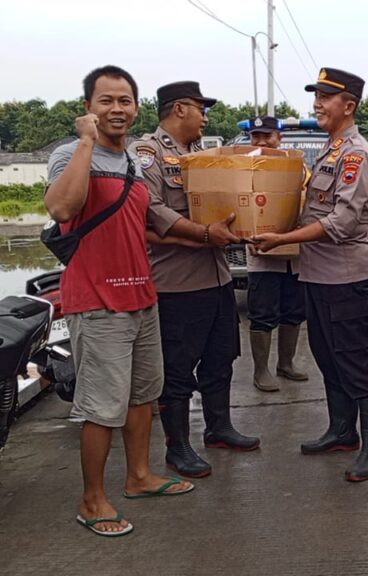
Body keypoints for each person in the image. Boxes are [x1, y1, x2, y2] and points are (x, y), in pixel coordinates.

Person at [45, 66, 193, 538]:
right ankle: (92, 500)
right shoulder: (69, 155)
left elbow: (156, 220)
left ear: (136, 107)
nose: (116, 109)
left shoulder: (134, 161)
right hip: (97, 299)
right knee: (100, 406)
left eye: (124, 100)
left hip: (140, 294)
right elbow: (62, 209)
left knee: (142, 396)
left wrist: (213, 234)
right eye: (106, 100)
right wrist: (86, 144)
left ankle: (139, 476)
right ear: (88, 107)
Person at [254, 67, 368, 482]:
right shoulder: (329, 152)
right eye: (316, 96)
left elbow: (343, 221)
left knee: (356, 361)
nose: (317, 103)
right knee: (328, 358)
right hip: (315, 274)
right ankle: (342, 430)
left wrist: (283, 238)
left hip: (344, 276)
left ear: (348, 106)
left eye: (326, 97)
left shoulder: (355, 155)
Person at [129, 82, 260, 479]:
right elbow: (149, 211)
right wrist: (204, 235)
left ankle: (218, 427)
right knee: (178, 369)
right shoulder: (146, 154)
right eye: (201, 109)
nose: (205, 116)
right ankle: (178, 446)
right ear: (180, 108)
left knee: (222, 356)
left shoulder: (200, 156)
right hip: (177, 282)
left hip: (216, 275)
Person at [243, 114, 309, 392]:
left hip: (294, 256)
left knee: (293, 312)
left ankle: (286, 363)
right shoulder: (242, 168)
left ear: (279, 137)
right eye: (256, 136)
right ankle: (261, 371)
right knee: (262, 314)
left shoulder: (298, 167)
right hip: (261, 255)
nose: (262, 141)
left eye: (267, 136)